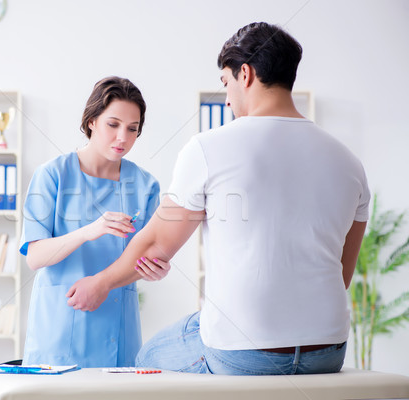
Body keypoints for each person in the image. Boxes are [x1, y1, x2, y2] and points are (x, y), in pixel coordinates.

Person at [65, 22, 370, 375]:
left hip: (244, 352)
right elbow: (340, 274)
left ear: (245, 74)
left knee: (148, 359)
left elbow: (154, 248)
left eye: (226, 84)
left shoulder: (210, 146)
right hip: (328, 350)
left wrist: (99, 283)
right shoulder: (349, 162)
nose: (226, 99)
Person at [19, 76, 170, 368]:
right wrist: (90, 230)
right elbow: (35, 257)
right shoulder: (52, 175)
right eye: (113, 125)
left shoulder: (145, 185)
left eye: (132, 129)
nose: (122, 138)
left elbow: (144, 257)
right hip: (59, 329)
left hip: (117, 331)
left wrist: (153, 268)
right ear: (91, 121)